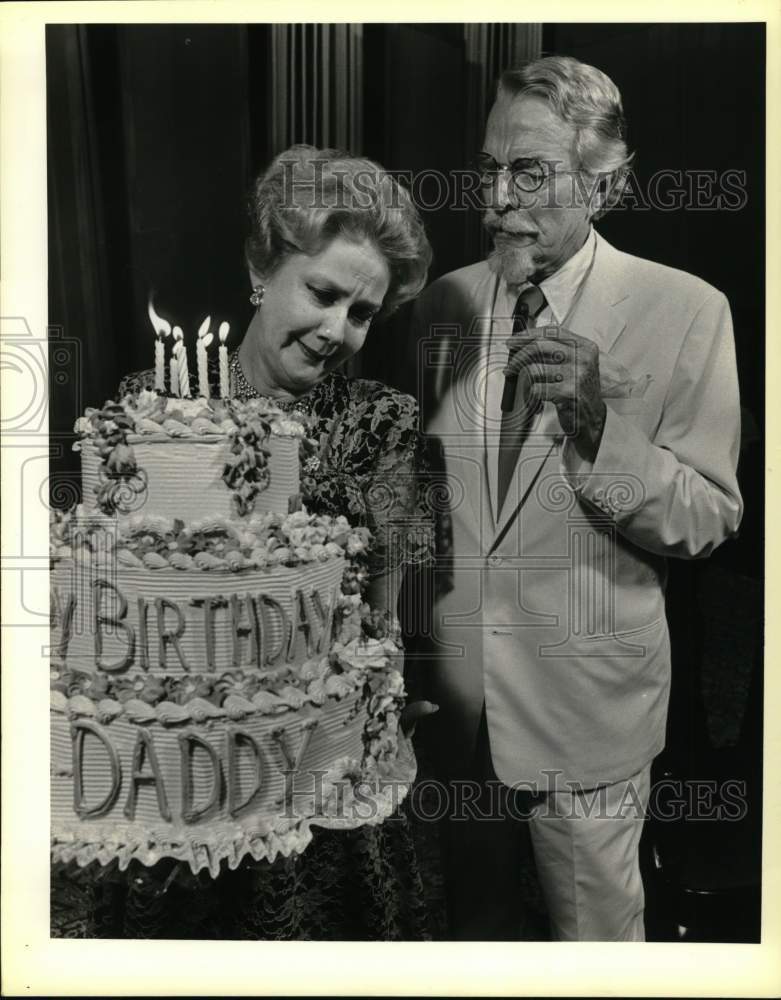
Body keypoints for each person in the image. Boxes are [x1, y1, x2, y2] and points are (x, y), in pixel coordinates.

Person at [54, 144, 442, 940]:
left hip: (316, 789)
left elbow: (382, 618)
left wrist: (378, 707)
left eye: (362, 312)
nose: (337, 329)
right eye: (324, 293)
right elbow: (98, 611)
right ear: (263, 271)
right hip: (166, 789)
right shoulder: (150, 413)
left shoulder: (384, 424)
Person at [412, 56, 743, 941]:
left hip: (587, 710)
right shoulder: (441, 303)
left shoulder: (686, 309)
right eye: (489, 168)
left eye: (527, 172)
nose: (495, 197)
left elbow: (708, 517)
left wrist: (599, 429)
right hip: (453, 706)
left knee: (596, 951)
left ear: (603, 184)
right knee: (473, 941)